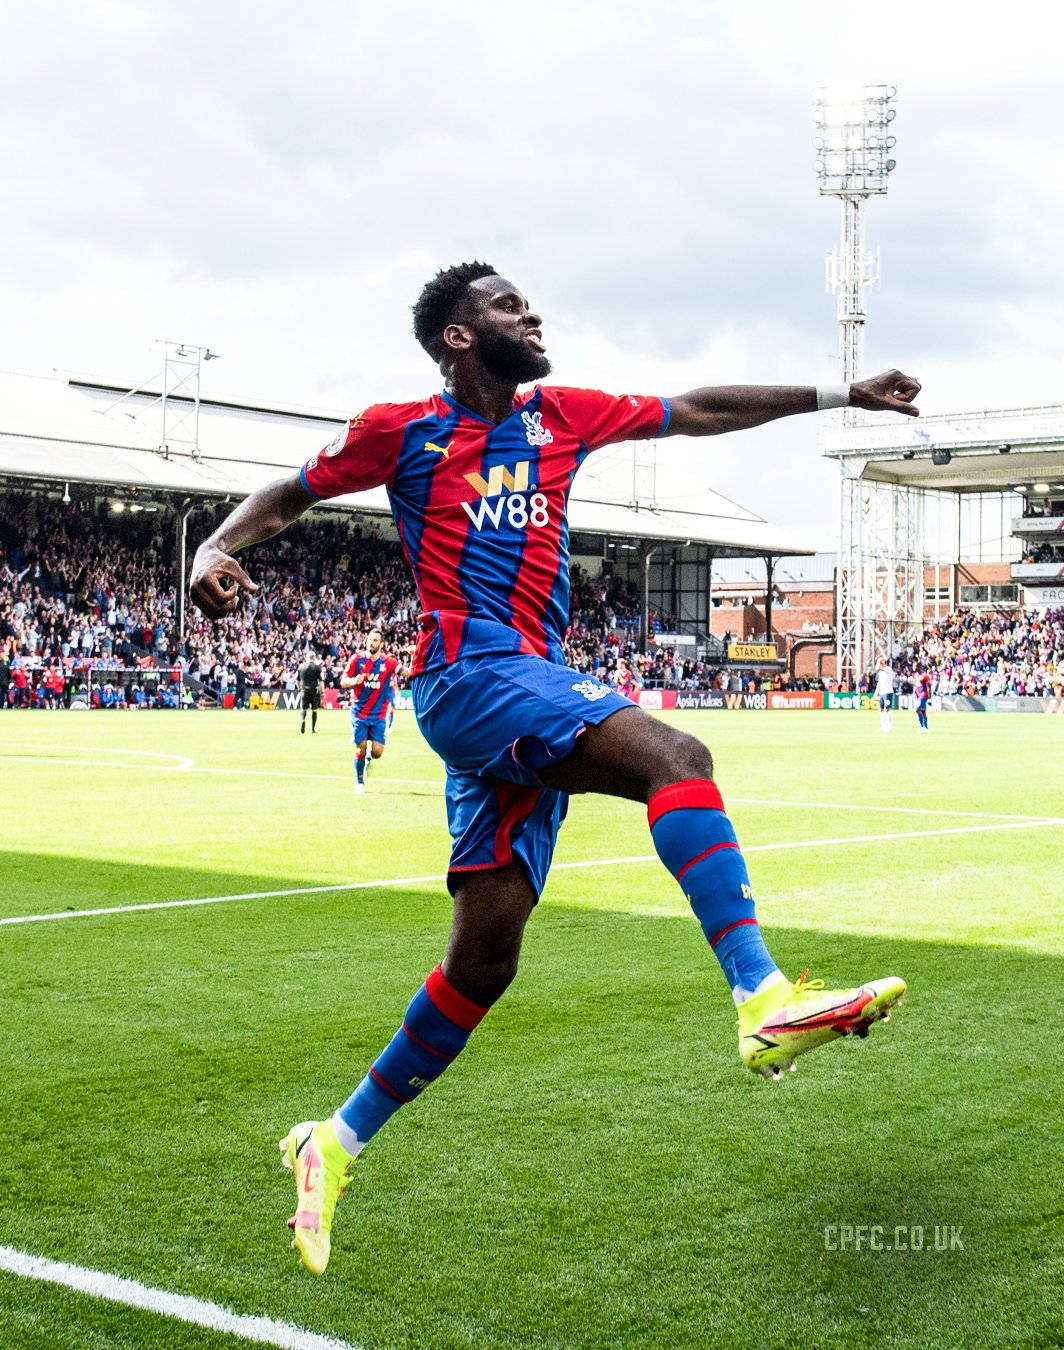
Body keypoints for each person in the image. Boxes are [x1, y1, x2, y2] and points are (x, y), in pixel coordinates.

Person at [189, 261, 920, 1276]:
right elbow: (288, 492)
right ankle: (761, 998)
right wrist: (210, 549)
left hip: (527, 682)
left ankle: (334, 1140)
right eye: (505, 304)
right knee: (676, 756)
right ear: (457, 336)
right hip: (467, 677)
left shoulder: (564, 415)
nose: (531, 313)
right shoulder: (400, 430)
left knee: (484, 961)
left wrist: (844, 392)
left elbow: (698, 408)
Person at [339, 629, 399, 793]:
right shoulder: (357, 659)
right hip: (359, 713)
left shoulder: (388, 662)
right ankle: (359, 782)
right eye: (370, 639)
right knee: (361, 747)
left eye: (375, 640)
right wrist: (353, 680)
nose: (371, 643)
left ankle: (368, 759)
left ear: (381, 643)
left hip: (379, 714)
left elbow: (407, 673)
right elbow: (343, 680)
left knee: (378, 752)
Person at [297, 650, 322, 735]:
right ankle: (313, 729)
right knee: (314, 710)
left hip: (304, 690)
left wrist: (299, 688)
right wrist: (323, 692)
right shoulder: (317, 667)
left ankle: (303, 720)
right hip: (314, 690)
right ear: (314, 658)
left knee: (303, 709)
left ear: (307, 657)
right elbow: (321, 680)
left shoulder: (301, 667)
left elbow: (297, 680)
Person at [875, 657, 895, 732]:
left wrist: (878, 661)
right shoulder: (880, 672)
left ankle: (889, 726)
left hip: (888, 691)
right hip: (882, 692)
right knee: (881, 709)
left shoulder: (888, 669)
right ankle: (883, 726)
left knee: (887, 709)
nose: (881, 663)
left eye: (882, 662)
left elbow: (877, 668)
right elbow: (879, 683)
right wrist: (876, 693)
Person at [915, 667, 931, 733]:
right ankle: (925, 727)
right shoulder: (916, 675)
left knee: (917, 709)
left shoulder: (925, 676)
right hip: (919, 695)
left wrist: (930, 697)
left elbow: (929, 686)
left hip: (923, 694)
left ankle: (922, 726)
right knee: (923, 711)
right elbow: (917, 686)